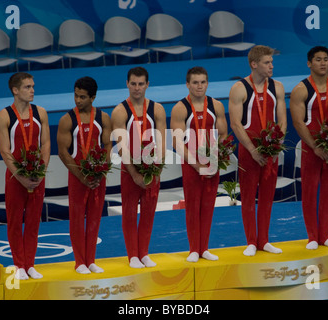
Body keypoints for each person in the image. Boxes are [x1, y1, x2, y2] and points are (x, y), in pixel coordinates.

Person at [228, 45, 287, 256]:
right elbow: (235, 124)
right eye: (267, 63)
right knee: (248, 196)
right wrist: (253, 150)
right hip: (249, 150)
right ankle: (251, 241)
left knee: (267, 197)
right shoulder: (240, 88)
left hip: (270, 150)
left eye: (272, 62)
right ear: (254, 64)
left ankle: (264, 240)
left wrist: (276, 144)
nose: (271, 66)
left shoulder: (278, 87)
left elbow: (282, 120)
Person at [290, 46, 328, 250]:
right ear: (309, 63)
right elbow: (298, 123)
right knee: (309, 191)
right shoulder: (301, 89)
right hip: (310, 148)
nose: (323, 63)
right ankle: (313, 237)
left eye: (326, 59)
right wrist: (315, 147)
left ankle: (324, 235)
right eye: (318, 60)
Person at [0, 72, 51, 279]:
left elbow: (45, 144)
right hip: (15, 178)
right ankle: (19, 265)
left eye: (33, 86)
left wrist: (41, 172)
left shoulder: (41, 113)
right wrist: (20, 176)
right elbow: (5, 151)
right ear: (15, 90)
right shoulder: (3, 116)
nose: (32, 90)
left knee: (34, 221)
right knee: (16, 221)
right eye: (27, 87)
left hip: (37, 175)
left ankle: (30, 264)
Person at [170, 66, 228, 262]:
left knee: (208, 206)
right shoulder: (180, 108)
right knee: (193, 206)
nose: (199, 86)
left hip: (211, 161)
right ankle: (194, 249)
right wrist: (197, 165)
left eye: (203, 82)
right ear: (187, 84)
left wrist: (215, 158)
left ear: (207, 83)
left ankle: (204, 248)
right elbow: (177, 142)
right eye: (195, 82)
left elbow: (223, 134)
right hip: (191, 163)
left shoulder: (216, 105)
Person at [111, 67, 166, 268]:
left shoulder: (157, 109)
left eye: (141, 84)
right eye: (133, 83)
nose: (137, 88)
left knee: (149, 212)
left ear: (147, 85)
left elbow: (161, 142)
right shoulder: (119, 111)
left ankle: (144, 253)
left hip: (152, 169)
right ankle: (132, 255)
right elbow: (121, 146)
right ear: (127, 84)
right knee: (130, 211)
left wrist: (157, 171)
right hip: (130, 169)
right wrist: (134, 174)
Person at [57, 77, 112, 274]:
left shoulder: (103, 118)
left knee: (95, 217)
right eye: (75, 95)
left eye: (82, 97)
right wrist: (82, 176)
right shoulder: (67, 120)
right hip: (77, 175)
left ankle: (91, 260)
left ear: (93, 97)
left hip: (97, 175)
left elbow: (107, 145)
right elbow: (63, 152)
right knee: (77, 218)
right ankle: (79, 261)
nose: (77, 100)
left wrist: (101, 170)